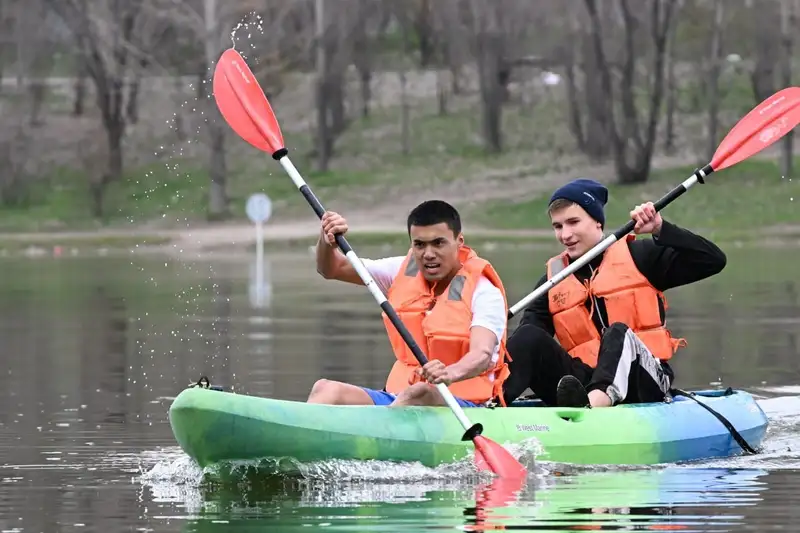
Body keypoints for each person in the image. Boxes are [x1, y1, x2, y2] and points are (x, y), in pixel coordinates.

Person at [502, 178, 727, 409]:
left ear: (598, 222)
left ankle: (595, 406)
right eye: (558, 226)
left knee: (618, 332)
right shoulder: (552, 281)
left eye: (573, 222)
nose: (565, 234)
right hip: (583, 383)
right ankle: (490, 403)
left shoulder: (640, 256)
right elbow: (525, 346)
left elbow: (713, 261)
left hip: (642, 381)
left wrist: (661, 228)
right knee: (528, 336)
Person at [308, 200, 513, 408]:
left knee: (420, 392)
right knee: (325, 389)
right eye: (420, 245)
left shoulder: (484, 291)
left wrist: (449, 373)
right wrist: (327, 242)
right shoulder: (400, 271)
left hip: (464, 405)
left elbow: (482, 355)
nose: (429, 254)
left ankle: (379, 433)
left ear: (459, 241)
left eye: (438, 243)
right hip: (399, 398)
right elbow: (332, 269)